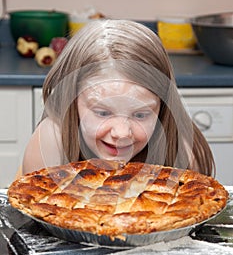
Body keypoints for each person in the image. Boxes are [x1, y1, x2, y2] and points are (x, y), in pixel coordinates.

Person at [22, 19, 215, 177]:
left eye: (140, 115)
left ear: (163, 107)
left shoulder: (183, 151)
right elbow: (32, 213)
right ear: (72, 101)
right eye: (103, 112)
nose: (122, 133)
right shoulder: (51, 141)